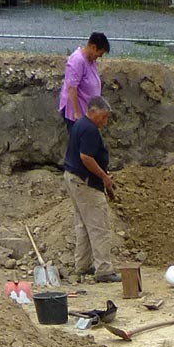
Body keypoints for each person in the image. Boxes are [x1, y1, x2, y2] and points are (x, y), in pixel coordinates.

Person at [62, 96, 119, 284]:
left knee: (83, 224)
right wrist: (104, 177)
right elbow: (86, 157)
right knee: (98, 225)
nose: (105, 121)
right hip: (85, 182)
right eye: (103, 117)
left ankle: (82, 265)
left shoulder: (80, 125)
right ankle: (103, 270)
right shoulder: (89, 130)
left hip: (73, 178)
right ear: (93, 112)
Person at [58, 31, 110, 132]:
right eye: (99, 54)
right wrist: (77, 113)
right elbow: (72, 88)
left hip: (87, 112)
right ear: (93, 47)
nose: (99, 57)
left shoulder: (91, 60)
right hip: (77, 114)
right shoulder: (77, 60)